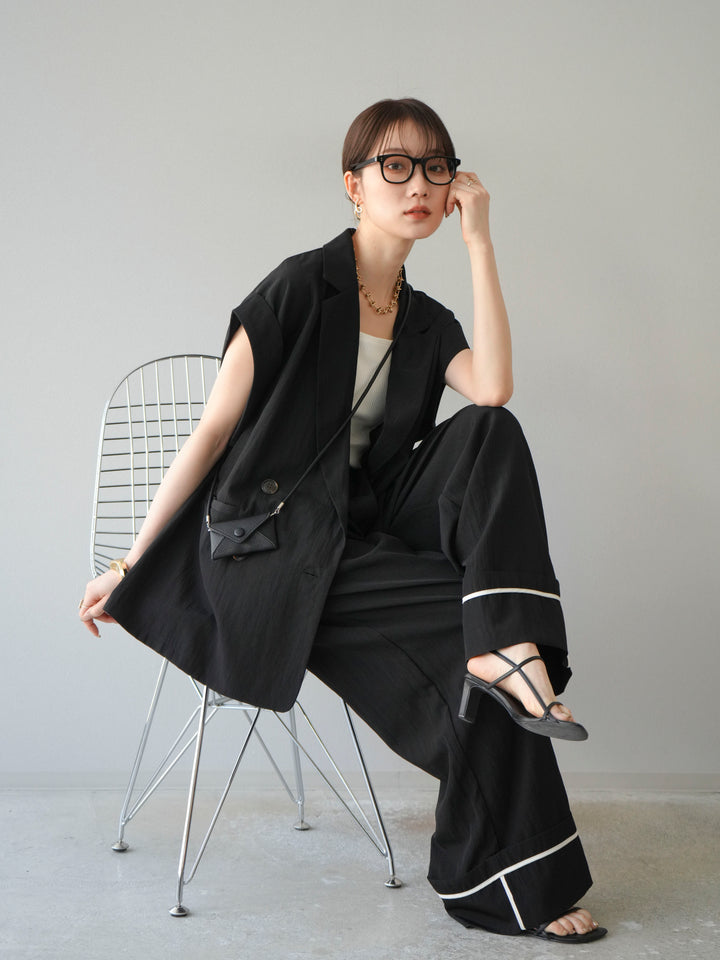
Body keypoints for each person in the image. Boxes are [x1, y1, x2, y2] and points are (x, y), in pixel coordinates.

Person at [79, 98, 606, 943]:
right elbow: (212, 432)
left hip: (364, 532)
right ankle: (513, 874)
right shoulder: (299, 287)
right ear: (354, 185)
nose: (419, 184)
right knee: (470, 646)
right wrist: (129, 564)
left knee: (490, 434)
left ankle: (504, 645)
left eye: (436, 167)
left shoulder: (426, 321)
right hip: (276, 545)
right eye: (395, 166)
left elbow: (494, 388)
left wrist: (480, 242)